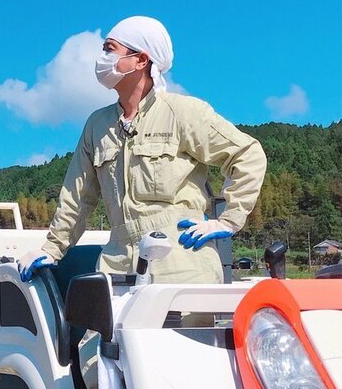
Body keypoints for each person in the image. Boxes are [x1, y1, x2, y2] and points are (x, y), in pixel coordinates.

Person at [18, 15, 267, 285]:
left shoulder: (182, 112)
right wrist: (51, 250)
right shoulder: (97, 126)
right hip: (117, 262)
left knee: (177, 329)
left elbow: (247, 153)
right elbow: (76, 199)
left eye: (110, 49)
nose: (102, 58)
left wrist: (228, 221)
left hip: (181, 263)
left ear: (141, 60)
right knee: (106, 328)